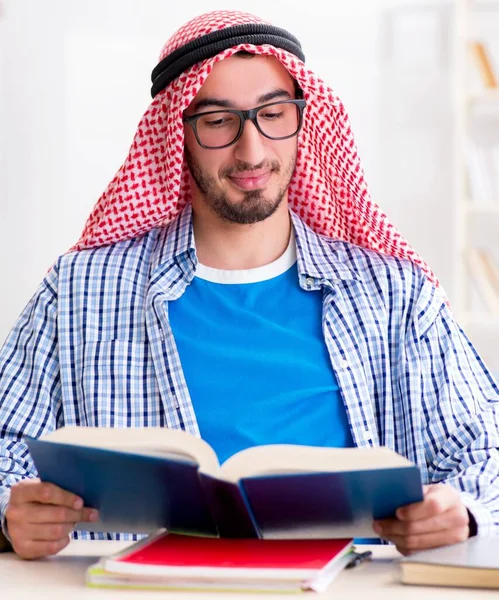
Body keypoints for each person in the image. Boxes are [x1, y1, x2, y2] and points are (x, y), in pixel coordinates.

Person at [1, 10, 498, 561]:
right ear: (176, 135)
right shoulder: (77, 294)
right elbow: (5, 452)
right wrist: (9, 514)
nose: (253, 152)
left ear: (302, 119)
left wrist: (463, 508)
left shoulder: (394, 296)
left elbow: (486, 447)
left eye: (273, 113)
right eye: (218, 121)